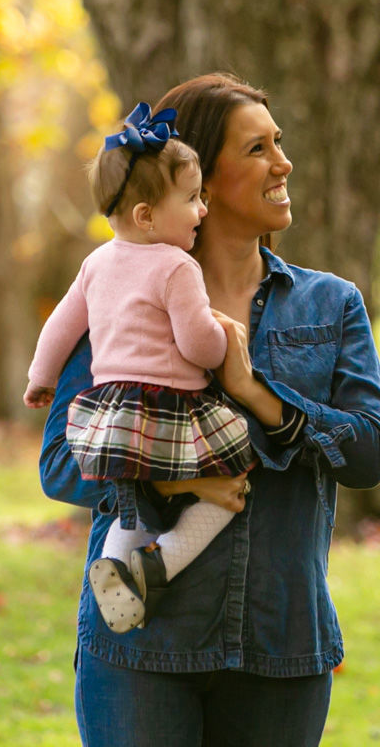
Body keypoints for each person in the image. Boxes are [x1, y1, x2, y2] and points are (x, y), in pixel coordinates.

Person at [39, 72, 380, 747]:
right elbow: (62, 462)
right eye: (258, 148)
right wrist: (179, 485)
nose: (282, 163)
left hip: (281, 641)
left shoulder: (331, 306)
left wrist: (259, 394)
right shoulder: (123, 295)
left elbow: (367, 454)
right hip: (140, 645)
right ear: (197, 174)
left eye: (280, 143)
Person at [24, 102, 255, 634]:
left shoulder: (96, 263)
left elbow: (61, 325)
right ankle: (164, 559)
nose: (203, 210)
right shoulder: (176, 265)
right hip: (171, 405)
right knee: (232, 482)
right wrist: (223, 338)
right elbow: (196, 346)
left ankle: (116, 563)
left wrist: (41, 377)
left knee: (132, 503)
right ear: (148, 216)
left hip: (112, 409)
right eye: (193, 199)